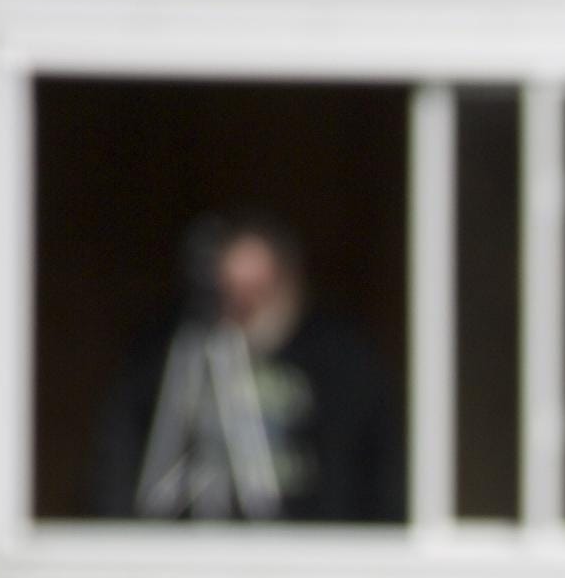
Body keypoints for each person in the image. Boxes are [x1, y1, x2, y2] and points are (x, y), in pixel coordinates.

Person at [86, 209, 400, 526]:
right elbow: (119, 453)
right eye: (232, 293)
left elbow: (372, 465)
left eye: (257, 291)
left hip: (307, 544)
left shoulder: (338, 357)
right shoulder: (171, 350)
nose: (244, 308)